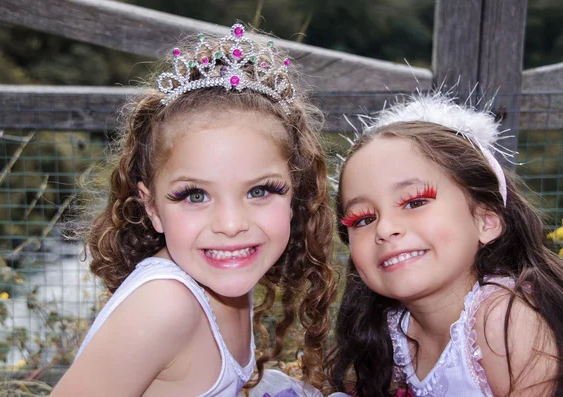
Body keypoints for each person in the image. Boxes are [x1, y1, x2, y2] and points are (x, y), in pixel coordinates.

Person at [50, 23, 336, 397]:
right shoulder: (165, 306)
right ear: (151, 207)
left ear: (295, 195)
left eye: (260, 190)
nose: (231, 225)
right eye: (195, 196)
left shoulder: (224, 277)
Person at [326, 93, 563, 397]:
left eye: (415, 202)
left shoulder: (502, 320)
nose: (384, 229)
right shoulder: (395, 327)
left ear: (486, 220)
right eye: (363, 219)